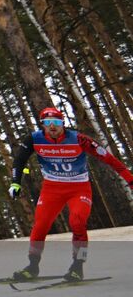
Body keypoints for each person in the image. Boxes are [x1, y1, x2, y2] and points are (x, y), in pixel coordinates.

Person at [8, 106, 133, 282]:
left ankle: (77, 266)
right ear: (42, 125)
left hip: (78, 188)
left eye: (56, 122)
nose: (52, 126)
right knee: (41, 225)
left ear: (63, 123)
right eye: (47, 123)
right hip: (52, 189)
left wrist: (130, 179)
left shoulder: (79, 139)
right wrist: (15, 182)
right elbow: (19, 160)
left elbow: (109, 159)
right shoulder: (34, 139)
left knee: (77, 221)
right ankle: (32, 266)